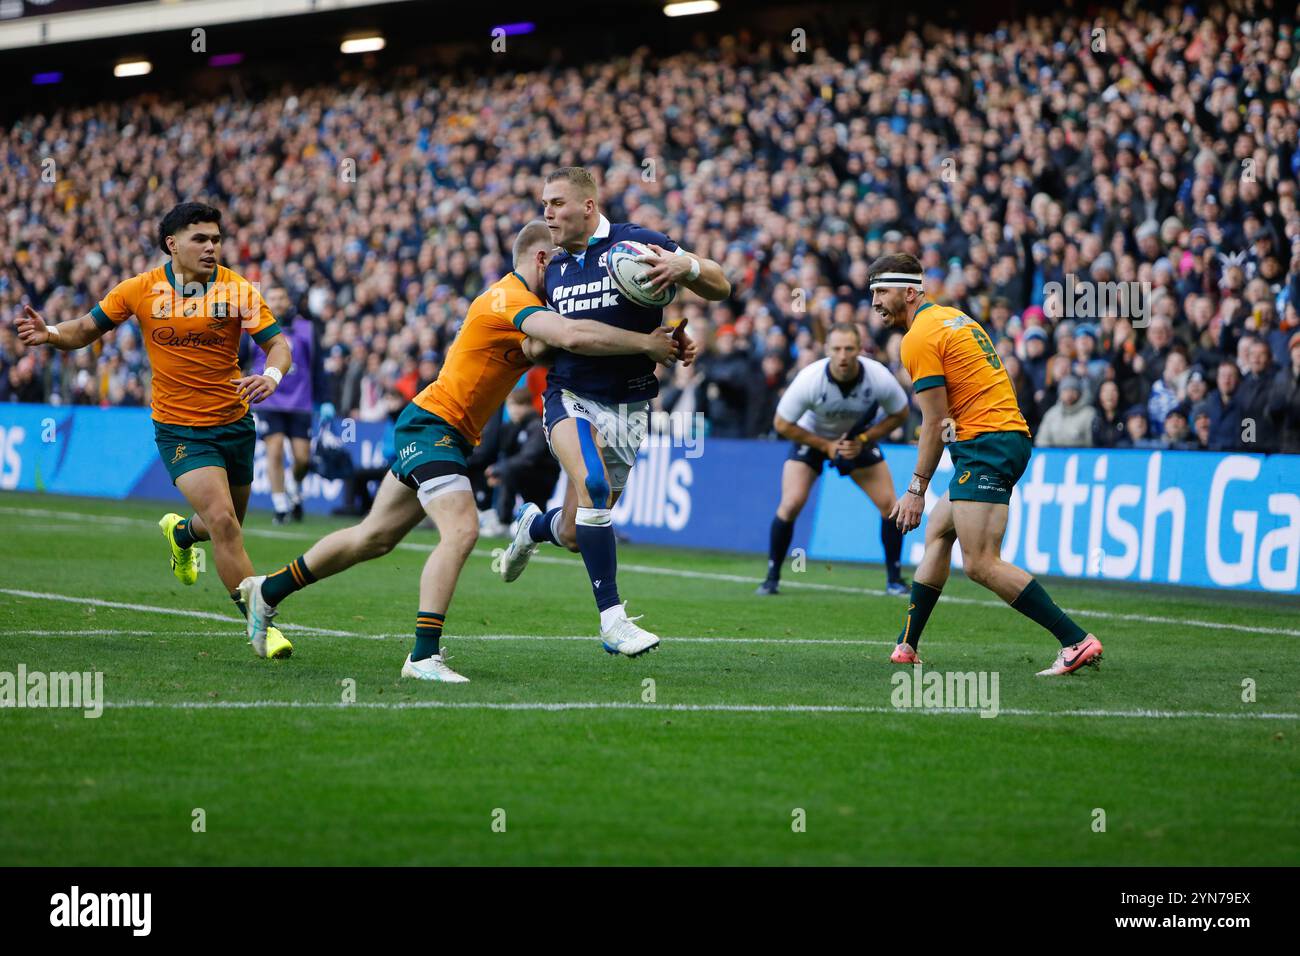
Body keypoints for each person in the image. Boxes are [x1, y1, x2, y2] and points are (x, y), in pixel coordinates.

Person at [239, 221, 680, 681]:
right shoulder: (508, 298)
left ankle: (267, 591)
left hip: (439, 428)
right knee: (462, 530)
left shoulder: (523, 310)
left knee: (373, 537)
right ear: (541, 259)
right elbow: (570, 337)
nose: (567, 273)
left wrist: (654, 342)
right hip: (434, 426)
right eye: (560, 262)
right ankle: (423, 656)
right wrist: (645, 343)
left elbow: (554, 349)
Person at [14, 201, 294, 659]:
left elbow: (278, 345)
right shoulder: (139, 290)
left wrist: (272, 375)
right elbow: (86, 328)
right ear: (172, 244)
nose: (211, 247)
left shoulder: (238, 289)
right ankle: (259, 623)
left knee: (226, 525)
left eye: (216, 239)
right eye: (200, 239)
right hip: (180, 429)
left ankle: (182, 535)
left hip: (235, 422)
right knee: (224, 521)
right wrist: (50, 334)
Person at [496, 167, 725, 657]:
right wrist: (548, 341)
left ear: (588, 206)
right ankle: (613, 621)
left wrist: (686, 270)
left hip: (631, 405)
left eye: (557, 203)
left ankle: (533, 526)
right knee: (596, 485)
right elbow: (535, 346)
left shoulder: (638, 244)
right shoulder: (550, 268)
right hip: (570, 397)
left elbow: (721, 285)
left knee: (577, 533)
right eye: (543, 204)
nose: (547, 213)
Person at [869, 252, 1102, 677]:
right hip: (995, 437)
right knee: (939, 532)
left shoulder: (918, 337)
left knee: (980, 563)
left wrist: (917, 488)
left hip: (986, 444)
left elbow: (935, 421)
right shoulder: (952, 317)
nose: (875, 303)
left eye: (881, 292)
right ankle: (907, 645)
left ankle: (1075, 640)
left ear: (909, 291)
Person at [757, 323, 910, 596]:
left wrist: (864, 440)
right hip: (813, 438)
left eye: (849, 349)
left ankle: (894, 579)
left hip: (856, 441)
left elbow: (900, 413)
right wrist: (825, 445)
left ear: (860, 350)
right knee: (791, 504)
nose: (842, 355)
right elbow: (781, 423)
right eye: (836, 349)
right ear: (827, 350)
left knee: (890, 506)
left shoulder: (878, 376)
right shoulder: (810, 379)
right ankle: (772, 577)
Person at [251, 285, 318, 524]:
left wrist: (326, 399)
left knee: (302, 459)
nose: (278, 302)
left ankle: (294, 487)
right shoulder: (254, 326)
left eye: (281, 297)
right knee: (275, 450)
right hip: (268, 398)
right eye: (273, 297)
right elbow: (241, 359)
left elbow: (316, 365)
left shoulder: (306, 329)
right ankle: (280, 505)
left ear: (288, 300)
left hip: (300, 401)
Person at [488, 388, 560, 528]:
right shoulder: (512, 427)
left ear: (528, 406)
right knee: (506, 472)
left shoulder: (536, 426)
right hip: (528, 474)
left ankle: (504, 522)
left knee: (508, 472)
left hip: (542, 475)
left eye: (519, 405)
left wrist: (500, 469)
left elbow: (529, 457)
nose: (514, 410)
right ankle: (506, 520)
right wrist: (499, 471)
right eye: (511, 405)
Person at [1035, 374, 1095, 447]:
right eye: (1065, 390)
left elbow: (1091, 443)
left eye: (1073, 390)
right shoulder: (1052, 414)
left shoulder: (1089, 414)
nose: (1069, 394)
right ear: (1060, 393)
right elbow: (1042, 441)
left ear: (1079, 393)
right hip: (1054, 456)